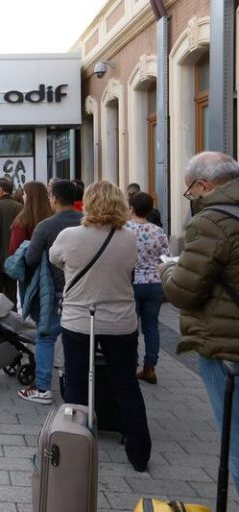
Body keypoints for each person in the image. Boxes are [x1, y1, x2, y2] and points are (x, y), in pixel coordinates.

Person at [50, 180, 151, 472]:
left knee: (77, 384)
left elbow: (54, 258)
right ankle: (139, 452)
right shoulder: (129, 237)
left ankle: (73, 450)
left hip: (80, 318)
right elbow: (129, 267)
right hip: (121, 321)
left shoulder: (70, 235)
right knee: (127, 385)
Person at [160, 151, 239, 491]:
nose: (191, 198)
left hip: (227, 345)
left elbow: (184, 292)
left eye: (191, 191)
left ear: (205, 184)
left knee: (236, 445)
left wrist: (168, 269)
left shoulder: (211, 221)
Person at [17, 180, 82, 404]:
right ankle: (75, 386)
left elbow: (31, 258)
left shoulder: (46, 226)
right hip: (82, 291)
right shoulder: (86, 222)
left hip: (55, 289)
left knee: (45, 337)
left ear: (53, 197)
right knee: (78, 339)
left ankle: (43, 388)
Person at [126, 192, 169, 385]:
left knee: (130, 326)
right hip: (154, 282)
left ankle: (130, 364)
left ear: (132, 208)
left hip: (131, 283)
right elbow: (165, 259)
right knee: (152, 326)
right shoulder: (158, 231)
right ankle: (150, 367)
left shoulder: (124, 229)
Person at [8, 181, 53, 256]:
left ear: (30, 196)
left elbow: (15, 250)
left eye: (24, 194)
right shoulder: (52, 216)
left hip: (28, 264)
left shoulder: (23, 220)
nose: (23, 197)